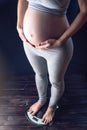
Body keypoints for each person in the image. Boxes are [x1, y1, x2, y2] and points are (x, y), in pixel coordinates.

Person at [17, 0, 87, 124]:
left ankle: (52, 107)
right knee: (39, 74)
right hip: (29, 45)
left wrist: (60, 41)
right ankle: (42, 100)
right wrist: (19, 25)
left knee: (56, 81)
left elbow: (85, 12)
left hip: (57, 48)